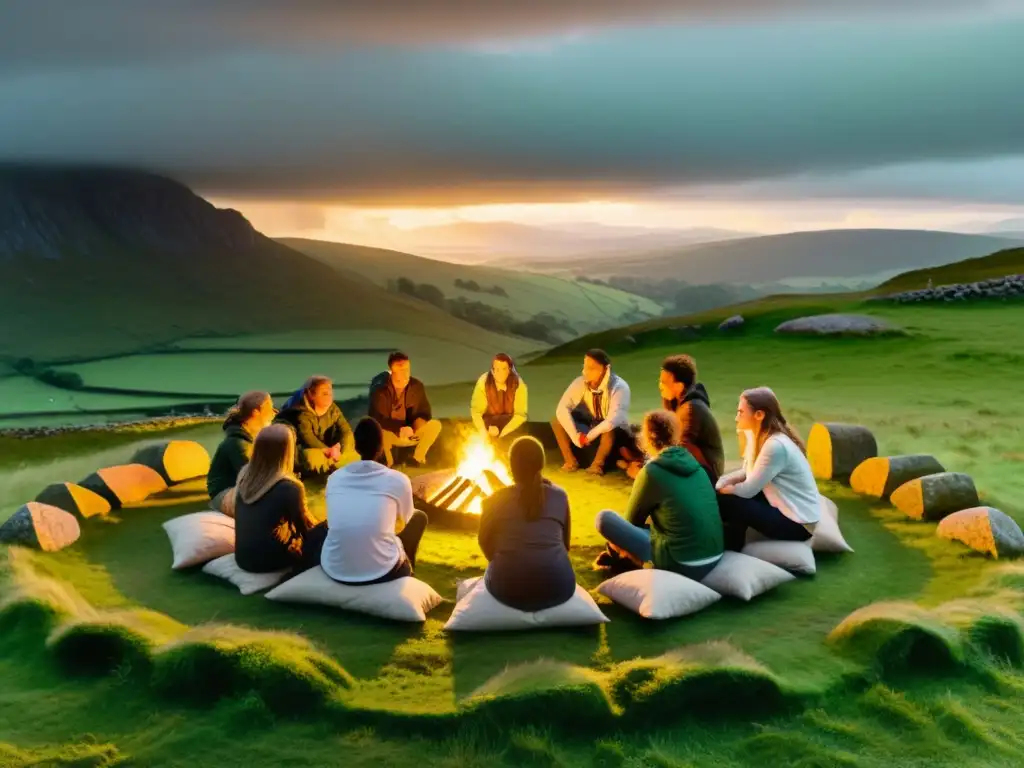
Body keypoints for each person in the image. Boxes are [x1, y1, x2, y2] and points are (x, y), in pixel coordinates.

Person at [595, 410, 724, 580]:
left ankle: (626, 559)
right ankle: (624, 557)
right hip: (714, 556)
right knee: (657, 522)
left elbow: (632, 521)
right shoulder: (696, 466)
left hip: (682, 563)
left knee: (604, 519)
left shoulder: (651, 472)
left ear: (646, 438)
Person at [320, 417, 429, 585]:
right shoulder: (397, 479)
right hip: (383, 571)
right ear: (381, 447)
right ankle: (408, 570)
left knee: (325, 527)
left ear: (356, 446)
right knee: (419, 517)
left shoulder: (335, 478)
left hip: (335, 568)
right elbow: (408, 518)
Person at [715, 387, 821, 550]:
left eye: (741, 412)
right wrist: (722, 482)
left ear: (759, 415)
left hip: (799, 524)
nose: (736, 418)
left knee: (730, 502)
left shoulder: (775, 445)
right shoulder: (758, 436)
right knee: (730, 498)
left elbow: (747, 490)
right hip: (786, 506)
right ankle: (733, 541)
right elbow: (747, 473)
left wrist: (723, 491)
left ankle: (729, 544)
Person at [478, 435, 576, 612]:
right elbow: (565, 545)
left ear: (511, 467)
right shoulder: (560, 496)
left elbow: (486, 546)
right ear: (541, 464)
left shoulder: (494, 500)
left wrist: (508, 561)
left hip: (507, 589)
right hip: (559, 587)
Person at [234, 424, 327, 574]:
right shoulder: (289, 488)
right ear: (287, 451)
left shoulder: (245, 476)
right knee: (326, 529)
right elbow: (307, 530)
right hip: (270, 561)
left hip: (243, 559)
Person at [620, 355, 725, 483]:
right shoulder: (676, 402)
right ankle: (636, 462)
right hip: (685, 458)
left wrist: (649, 467)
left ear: (679, 386)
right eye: (660, 381)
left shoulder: (690, 409)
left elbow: (680, 450)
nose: (660, 386)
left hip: (706, 469)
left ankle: (638, 468)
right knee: (633, 432)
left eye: (664, 382)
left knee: (649, 443)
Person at [551, 348, 632, 475]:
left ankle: (597, 465)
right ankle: (570, 461)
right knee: (557, 421)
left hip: (614, 435)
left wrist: (589, 436)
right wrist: (575, 436)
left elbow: (612, 420)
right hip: (591, 427)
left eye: (591, 368)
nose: (586, 372)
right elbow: (562, 408)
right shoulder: (581, 383)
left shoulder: (619, 387)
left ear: (605, 369)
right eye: (585, 367)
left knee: (609, 429)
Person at [368, 351, 443, 467]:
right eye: (401, 370)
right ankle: (388, 462)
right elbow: (377, 419)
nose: (405, 373)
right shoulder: (381, 390)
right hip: (391, 434)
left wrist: (417, 424)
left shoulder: (416, 386)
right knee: (378, 432)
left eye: (407, 369)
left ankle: (417, 458)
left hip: (412, 432)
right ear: (392, 371)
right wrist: (399, 429)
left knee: (435, 425)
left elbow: (425, 412)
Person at [207, 390, 276, 517]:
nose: (274, 412)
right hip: (224, 495)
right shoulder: (238, 443)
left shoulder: (251, 436)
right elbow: (254, 477)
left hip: (239, 490)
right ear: (256, 412)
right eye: (270, 408)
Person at [274, 375, 353, 478]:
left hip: (328, 448)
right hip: (301, 449)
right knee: (310, 457)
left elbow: (345, 430)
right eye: (324, 393)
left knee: (350, 442)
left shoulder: (333, 409)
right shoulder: (300, 412)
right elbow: (307, 436)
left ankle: (331, 466)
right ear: (311, 395)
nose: (329, 396)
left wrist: (339, 448)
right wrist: (327, 450)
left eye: (330, 393)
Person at [470, 353, 528, 445]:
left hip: (510, 424)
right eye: (497, 370)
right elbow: (476, 412)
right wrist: (484, 433)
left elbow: (520, 415)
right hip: (488, 422)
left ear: (509, 370)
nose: (500, 373)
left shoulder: (519, 385)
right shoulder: (484, 382)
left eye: (504, 369)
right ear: (492, 371)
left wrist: (502, 434)